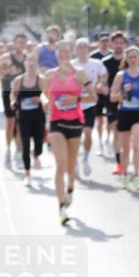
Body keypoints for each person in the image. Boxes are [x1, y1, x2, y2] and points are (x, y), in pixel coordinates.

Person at [44, 40, 95, 224]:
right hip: (57, 124)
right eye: (60, 52)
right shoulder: (50, 75)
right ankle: (61, 207)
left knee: (71, 167)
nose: (64, 55)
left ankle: (71, 187)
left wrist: (76, 97)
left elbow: (93, 95)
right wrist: (45, 102)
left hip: (75, 124)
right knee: (61, 164)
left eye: (66, 51)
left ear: (71, 53)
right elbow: (45, 94)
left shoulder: (79, 74)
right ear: (56, 54)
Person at [110, 45, 139, 190]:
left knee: (136, 145)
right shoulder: (121, 76)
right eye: (130, 57)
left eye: (136, 56)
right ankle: (124, 175)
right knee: (126, 148)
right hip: (124, 113)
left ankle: (136, 176)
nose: (133, 59)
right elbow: (112, 97)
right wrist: (123, 92)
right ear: (126, 59)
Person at [0, 33, 29, 167]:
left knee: (21, 124)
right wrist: (6, 72)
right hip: (8, 93)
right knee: (11, 123)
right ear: (14, 43)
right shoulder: (6, 58)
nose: (21, 45)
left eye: (23, 43)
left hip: (22, 94)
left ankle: (18, 154)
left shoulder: (27, 59)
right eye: (19, 42)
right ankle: (8, 150)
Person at [10, 49, 46, 186]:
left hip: (38, 117)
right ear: (25, 64)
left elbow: (46, 94)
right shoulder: (19, 80)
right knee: (25, 144)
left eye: (34, 62)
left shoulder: (41, 80)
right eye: (29, 61)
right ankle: (27, 173)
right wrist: (13, 102)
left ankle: (36, 154)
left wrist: (41, 99)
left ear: (37, 65)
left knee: (39, 145)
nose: (31, 64)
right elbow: (13, 94)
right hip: (23, 116)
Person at [72, 37, 106, 175]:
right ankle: (74, 161)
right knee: (75, 135)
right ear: (75, 49)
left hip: (89, 104)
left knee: (87, 132)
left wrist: (100, 84)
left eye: (84, 46)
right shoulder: (71, 64)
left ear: (88, 49)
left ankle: (85, 158)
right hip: (74, 104)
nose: (82, 49)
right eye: (79, 47)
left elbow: (104, 75)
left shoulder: (96, 63)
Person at [100, 30, 127, 173]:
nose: (119, 45)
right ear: (112, 44)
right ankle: (120, 164)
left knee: (127, 134)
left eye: (121, 43)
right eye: (116, 42)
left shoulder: (130, 61)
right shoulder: (105, 62)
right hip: (111, 101)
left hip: (129, 101)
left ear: (125, 44)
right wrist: (102, 87)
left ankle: (126, 159)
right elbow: (101, 81)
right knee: (116, 131)